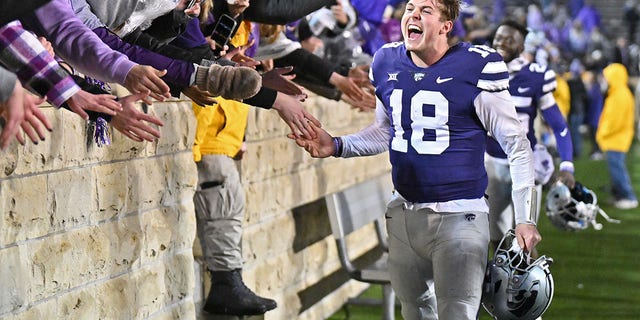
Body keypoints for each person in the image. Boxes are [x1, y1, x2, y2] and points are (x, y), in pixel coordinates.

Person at [289, 0, 541, 318]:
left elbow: (517, 145)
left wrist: (525, 218)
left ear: (445, 26)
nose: (414, 15)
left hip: (459, 215)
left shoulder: (477, 64)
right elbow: (385, 132)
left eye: (426, 10)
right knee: (415, 310)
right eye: (410, 8)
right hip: (404, 213)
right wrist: (337, 145)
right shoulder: (386, 60)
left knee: (457, 312)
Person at [486, 20, 575, 251]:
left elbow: (559, 124)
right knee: (494, 237)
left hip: (524, 165)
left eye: (509, 39)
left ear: (522, 45)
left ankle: (530, 287)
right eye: (499, 37)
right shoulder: (481, 71)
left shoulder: (536, 76)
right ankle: (500, 287)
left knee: (525, 240)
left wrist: (567, 164)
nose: (502, 43)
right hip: (491, 162)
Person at [596, 62, 638, 209]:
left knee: (618, 169)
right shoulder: (618, 92)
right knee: (615, 170)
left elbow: (614, 121)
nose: (605, 80)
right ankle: (619, 195)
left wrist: (601, 134)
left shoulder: (620, 94)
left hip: (616, 139)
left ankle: (628, 196)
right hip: (615, 138)